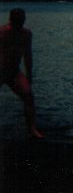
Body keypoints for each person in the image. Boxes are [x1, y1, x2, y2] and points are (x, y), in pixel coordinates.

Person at [0, 8, 43, 138]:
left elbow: (28, 55)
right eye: (18, 20)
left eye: (22, 20)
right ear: (11, 19)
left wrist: (29, 75)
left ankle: (32, 129)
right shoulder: (2, 33)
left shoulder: (26, 34)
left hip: (14, 72)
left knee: (28, 96)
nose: (21, 22)